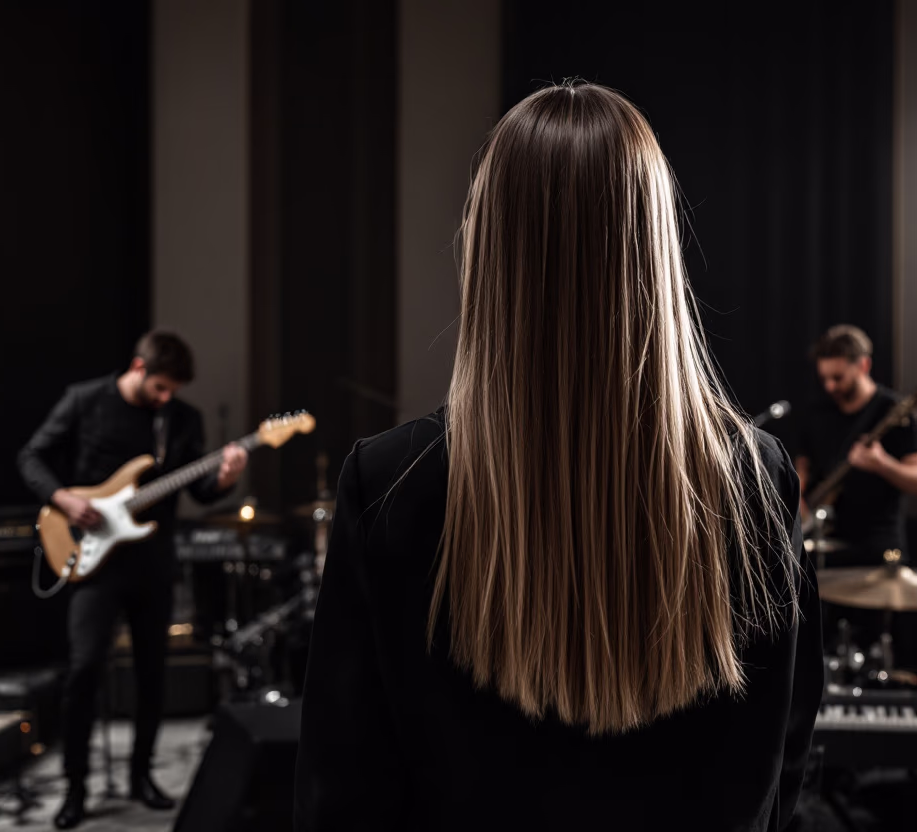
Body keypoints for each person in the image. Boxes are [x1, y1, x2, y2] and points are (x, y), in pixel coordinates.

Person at [294, 83, 822, 832]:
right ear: (654, 244)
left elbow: (342, 792)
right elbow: (777, 761)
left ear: (487, 245)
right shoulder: (756, 477)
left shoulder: (389, 482)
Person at [18, 331, 247, 829]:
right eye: (160, 387)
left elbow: (201, 491)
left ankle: (142, 775)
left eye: (173, 391)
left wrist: (225, 479)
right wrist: (63, 499)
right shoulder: (84, 400)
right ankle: (75, 787)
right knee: (84, 670)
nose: (166, 399)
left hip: (152, 562)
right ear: (138, 367)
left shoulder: (183, 420)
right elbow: (31, 457)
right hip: (93, 560)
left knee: (152, 674)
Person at [794, 325, 917, 564]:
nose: (830, 386)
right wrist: (798, 499)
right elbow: (802, 467)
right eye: (824, 378)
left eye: (838, 378)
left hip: (879, 551)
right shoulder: (817, 413)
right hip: (825, 546)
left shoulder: (895, 411)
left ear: (864, 365)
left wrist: (882, 464)